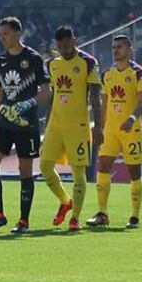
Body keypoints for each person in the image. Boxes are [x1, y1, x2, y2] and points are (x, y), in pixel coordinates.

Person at [0, 16, 51, 235]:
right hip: (4, 123)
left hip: (26, 124)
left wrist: (28, 103)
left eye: (6, 33)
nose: (2, 38)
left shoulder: (33, 58)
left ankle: (24, 220)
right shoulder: (0, 60)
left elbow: (46, 92)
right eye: (0, 34)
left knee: (25, 170)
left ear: (18, 33)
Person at [39, 26, 102, 231]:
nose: (63, 50)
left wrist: (98, 126)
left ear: (74, 41)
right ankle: (66, 201)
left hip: (78, 127)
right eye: (59, 46)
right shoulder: (52, 64)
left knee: (78, 175)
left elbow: (95, 96)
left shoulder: (88, 63)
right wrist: (47, 125)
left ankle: (75, 218)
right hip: (55, 126)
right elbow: (53, 96)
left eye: (66, 45)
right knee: (45, 168)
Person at [92, 35, 142, 228]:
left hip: (131, 130)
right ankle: (102, 213)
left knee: (134, 173)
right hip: (111, 130)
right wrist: (99, 127)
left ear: (130, 49)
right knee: (103, 167)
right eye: (113, 47)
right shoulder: (107, 74)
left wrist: (132, 118)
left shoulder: (138, 73)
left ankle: (134, 216)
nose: (115, 50)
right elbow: (104, 103)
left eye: (119, 47)